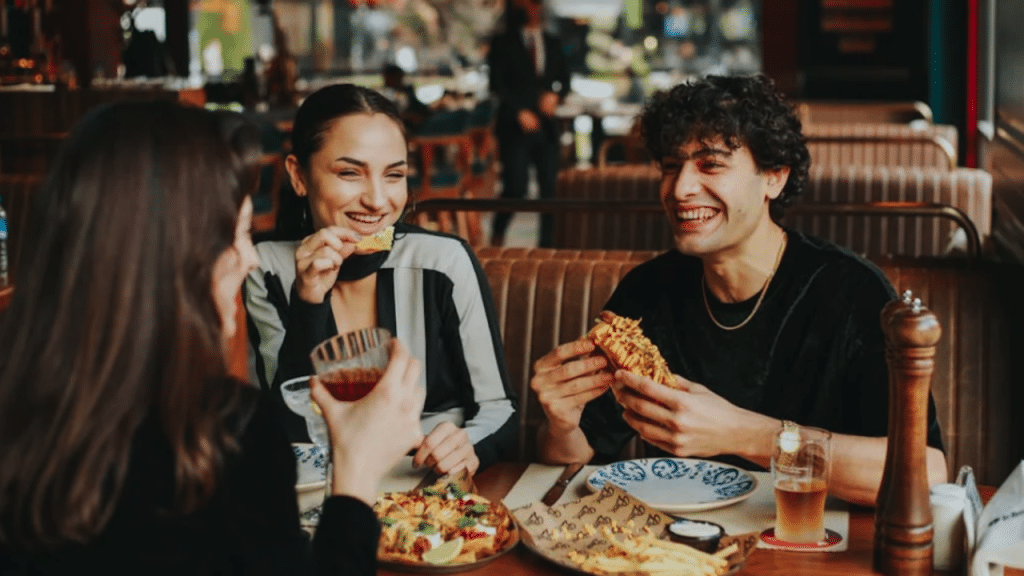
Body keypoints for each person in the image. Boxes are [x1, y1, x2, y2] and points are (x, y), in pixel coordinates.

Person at [0, 101, 426, 574]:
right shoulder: (225, 438)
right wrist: (357, 470)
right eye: (238, 235)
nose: (250, 260)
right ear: (172, 254)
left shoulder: (22, 413)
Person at [530, 75, 947, 507]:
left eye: (710, 164)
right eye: (671, 166)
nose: (679, 188)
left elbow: (927, 471)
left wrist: (746, 434)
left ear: (774, 177)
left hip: (814, 541)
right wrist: (561, 424)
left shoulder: (849, 293)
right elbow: (575, 457)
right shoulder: (647, 293)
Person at [245, 84, 517, 477]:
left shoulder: (443, 262)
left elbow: (499, 410)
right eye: (350, 173)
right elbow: (290, 429)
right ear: (299, 176)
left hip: (429, 489)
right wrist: (308, 302)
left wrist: (464, 446)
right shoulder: (266, 268)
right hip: (323, 490)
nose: (377, 200)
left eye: (394, 175)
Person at [486, 0, 570, 247]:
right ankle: (497, 235)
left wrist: (555, 95)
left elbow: (564, 80)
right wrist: (519, 111)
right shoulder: (502, 43)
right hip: (514, 128)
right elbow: (497, 85)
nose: (533, 9)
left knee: (549, 190)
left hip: (547, 127)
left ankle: (547, 245)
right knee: (515, 188)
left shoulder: (553, 42)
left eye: (536, 4)